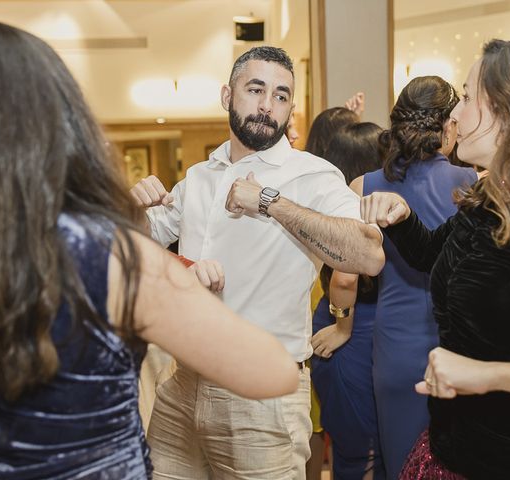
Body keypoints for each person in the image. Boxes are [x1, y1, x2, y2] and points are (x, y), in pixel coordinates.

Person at [0, 22, 300, 480]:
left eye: (280, 94)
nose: (267, 103)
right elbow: (273, 372)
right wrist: (179, 279)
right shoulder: (107, 255)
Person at [133, 46, 385, 480]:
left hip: (260, 396)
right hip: (182, 384)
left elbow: (369, 254)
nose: (268, 105)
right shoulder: (198, 177)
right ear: (227, 96)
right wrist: (131, 206)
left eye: (282, 95)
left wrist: (270, 202)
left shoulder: (312, 175)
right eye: (255, 89)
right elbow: (134, 245)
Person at [361, 38, 510, 480]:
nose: (453, 115)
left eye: (468, 98)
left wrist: (489, 375)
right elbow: (432, 256)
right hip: (456, 445)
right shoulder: (489, 197)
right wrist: (402, 216)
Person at [354, 76, 478, 479]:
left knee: (397, 461)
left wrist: (341, 323)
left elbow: (346, 272)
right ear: (447, 126)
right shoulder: (474, 187)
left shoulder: (366, 187)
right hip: (455, 345)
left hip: (392, 342)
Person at [310, 122, 386, 479]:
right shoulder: (368, 199)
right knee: (368, 452)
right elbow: (346, 273)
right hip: (353, 326)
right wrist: (343, 326)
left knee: (350, 450)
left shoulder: (335, 196)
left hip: (339, 318)